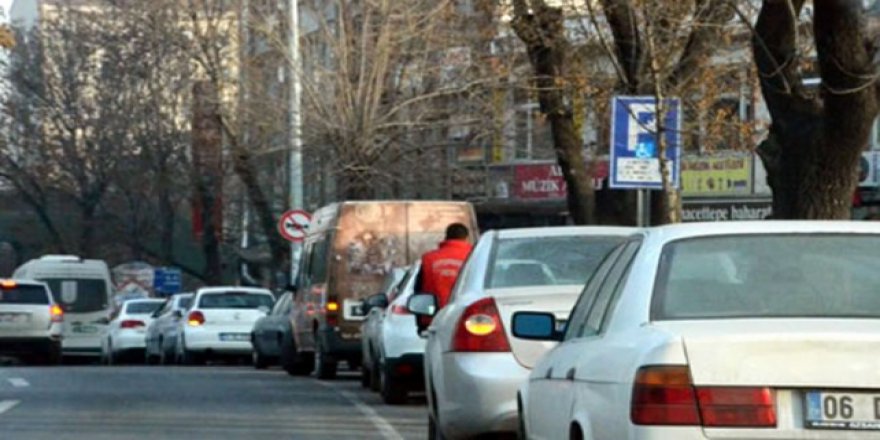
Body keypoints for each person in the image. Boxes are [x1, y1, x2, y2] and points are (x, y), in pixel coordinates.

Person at [416, 223, 473, 309]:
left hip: (434, 311)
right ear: (466, 238)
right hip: (467, 311)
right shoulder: (475, 256)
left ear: (446, 236)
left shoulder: (428, 258)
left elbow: (418, 288)